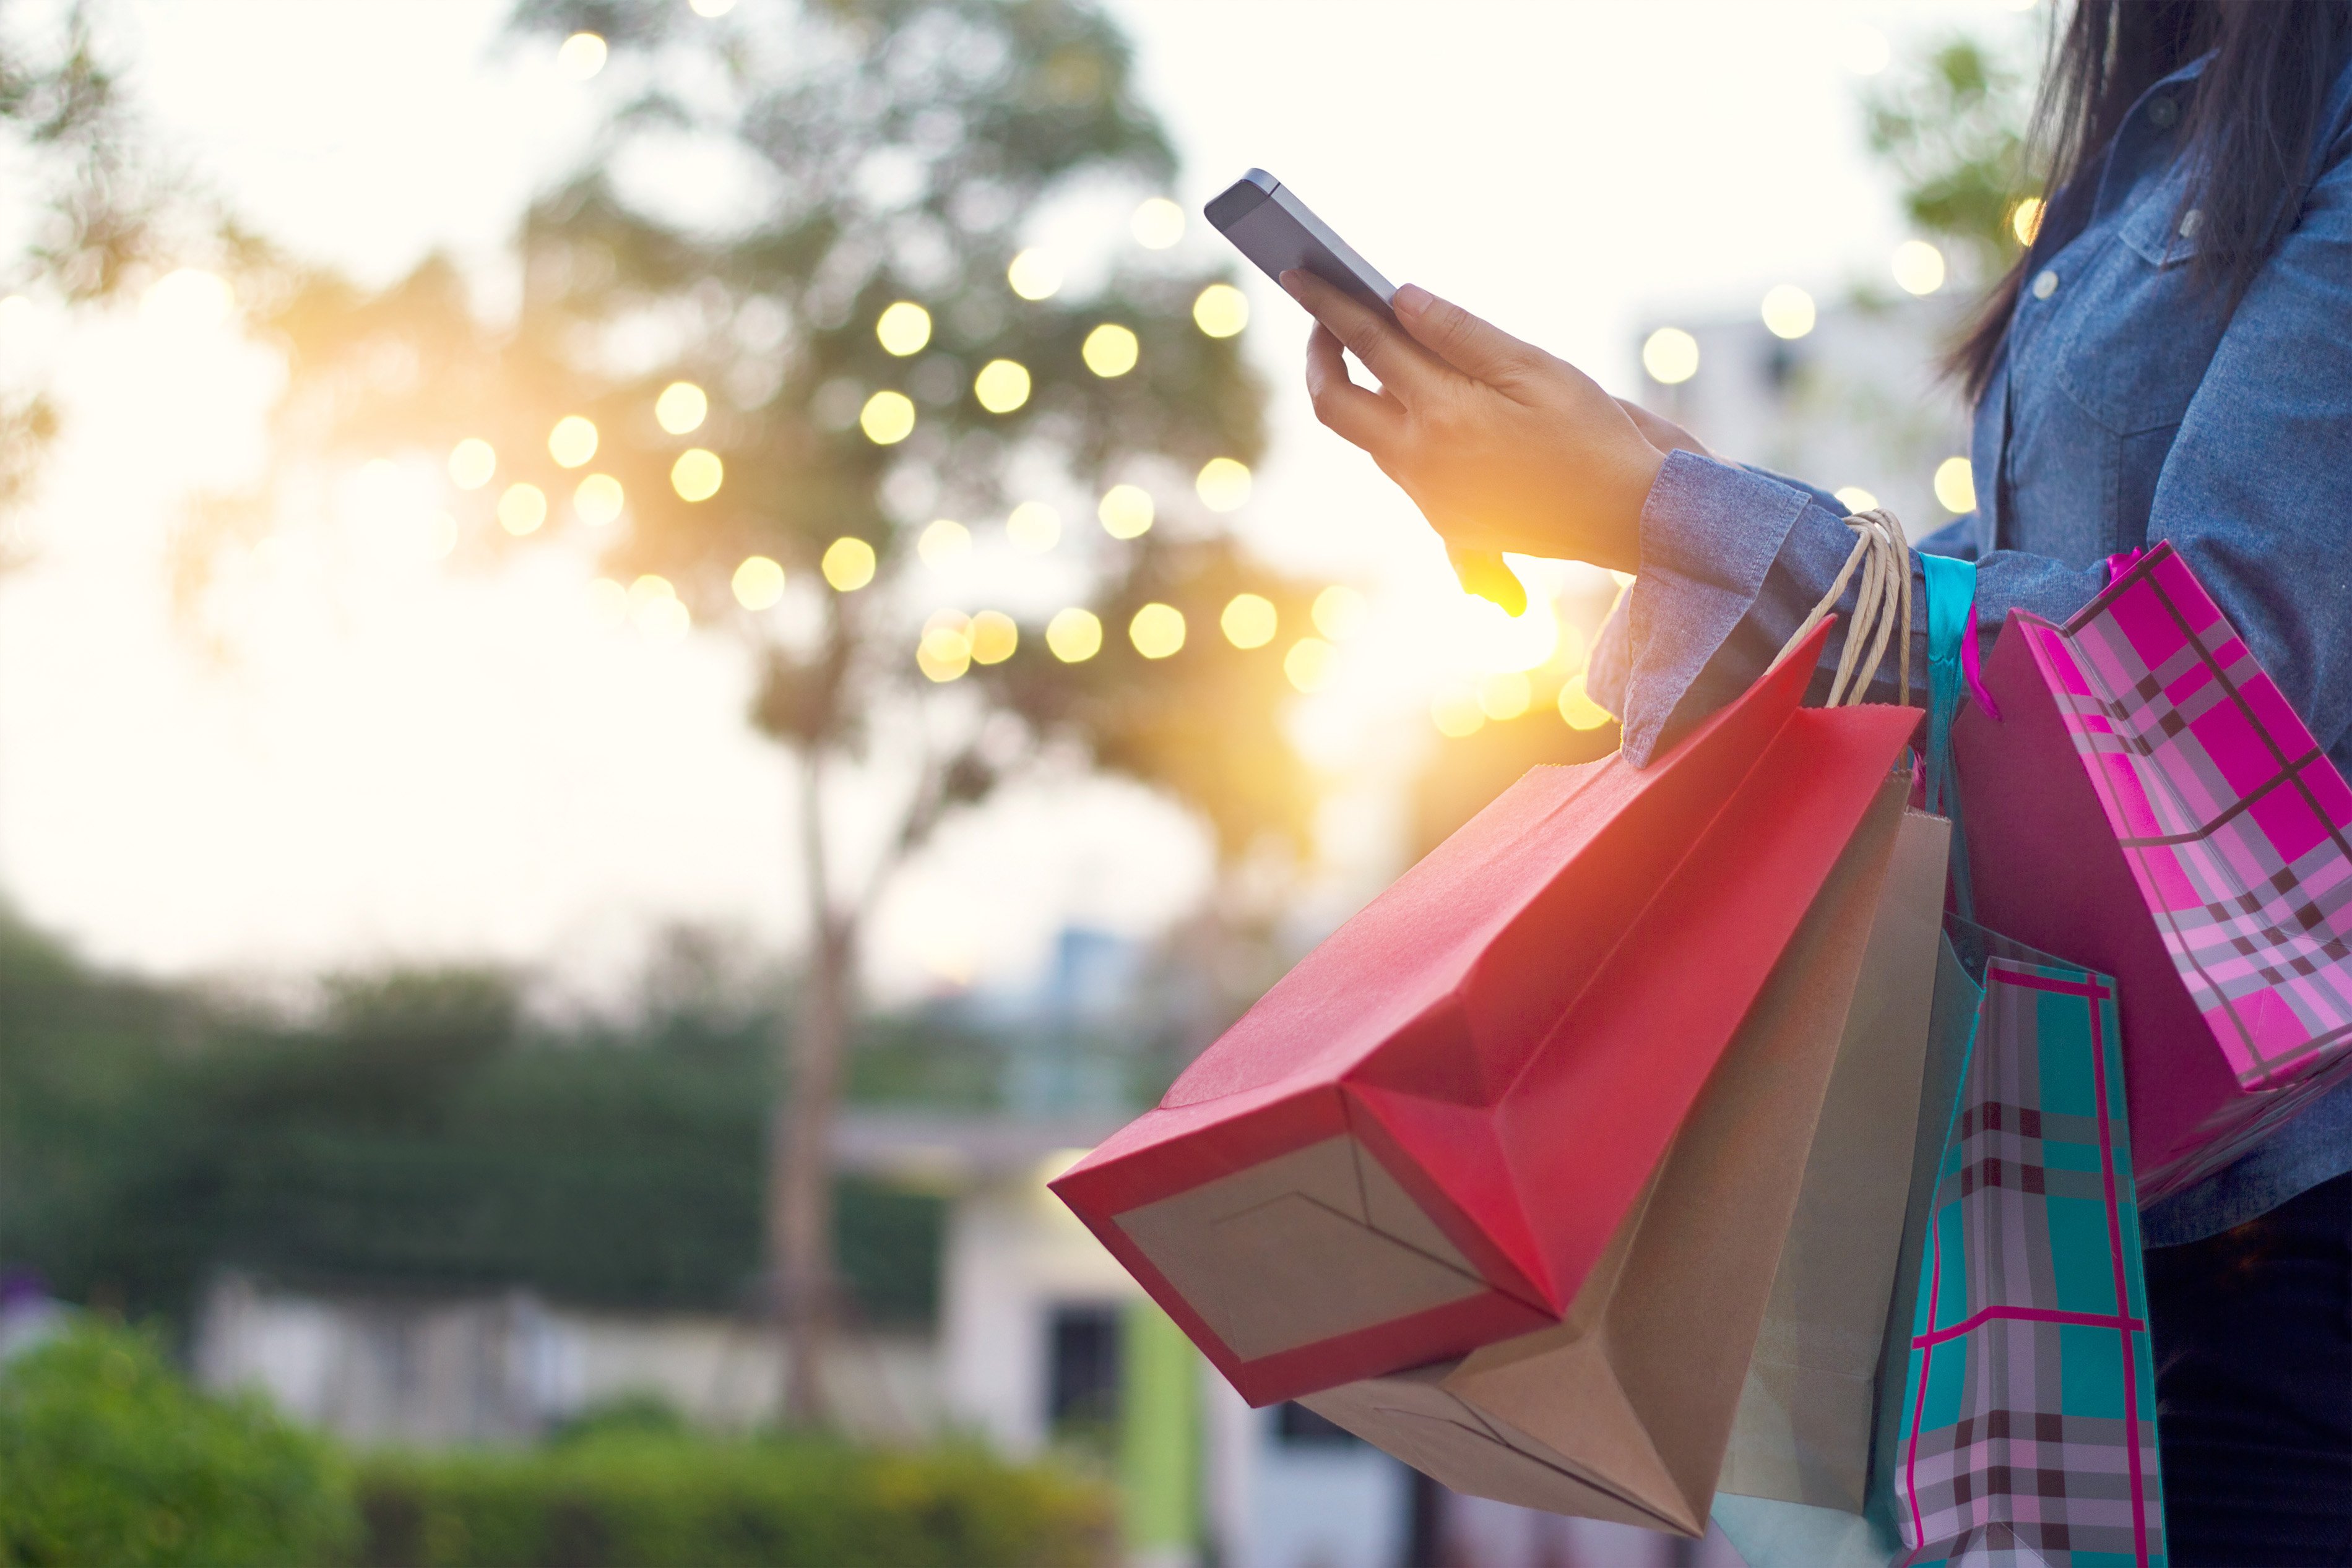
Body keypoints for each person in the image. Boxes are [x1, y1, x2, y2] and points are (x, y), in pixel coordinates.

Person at [1282, 2, 2352, 1562]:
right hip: (2128, 1200)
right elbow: (2032, 596)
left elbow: (2222, 659)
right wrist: (1654, 491)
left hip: (2301, 1214)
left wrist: (1664, 508)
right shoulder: (2170, 128)